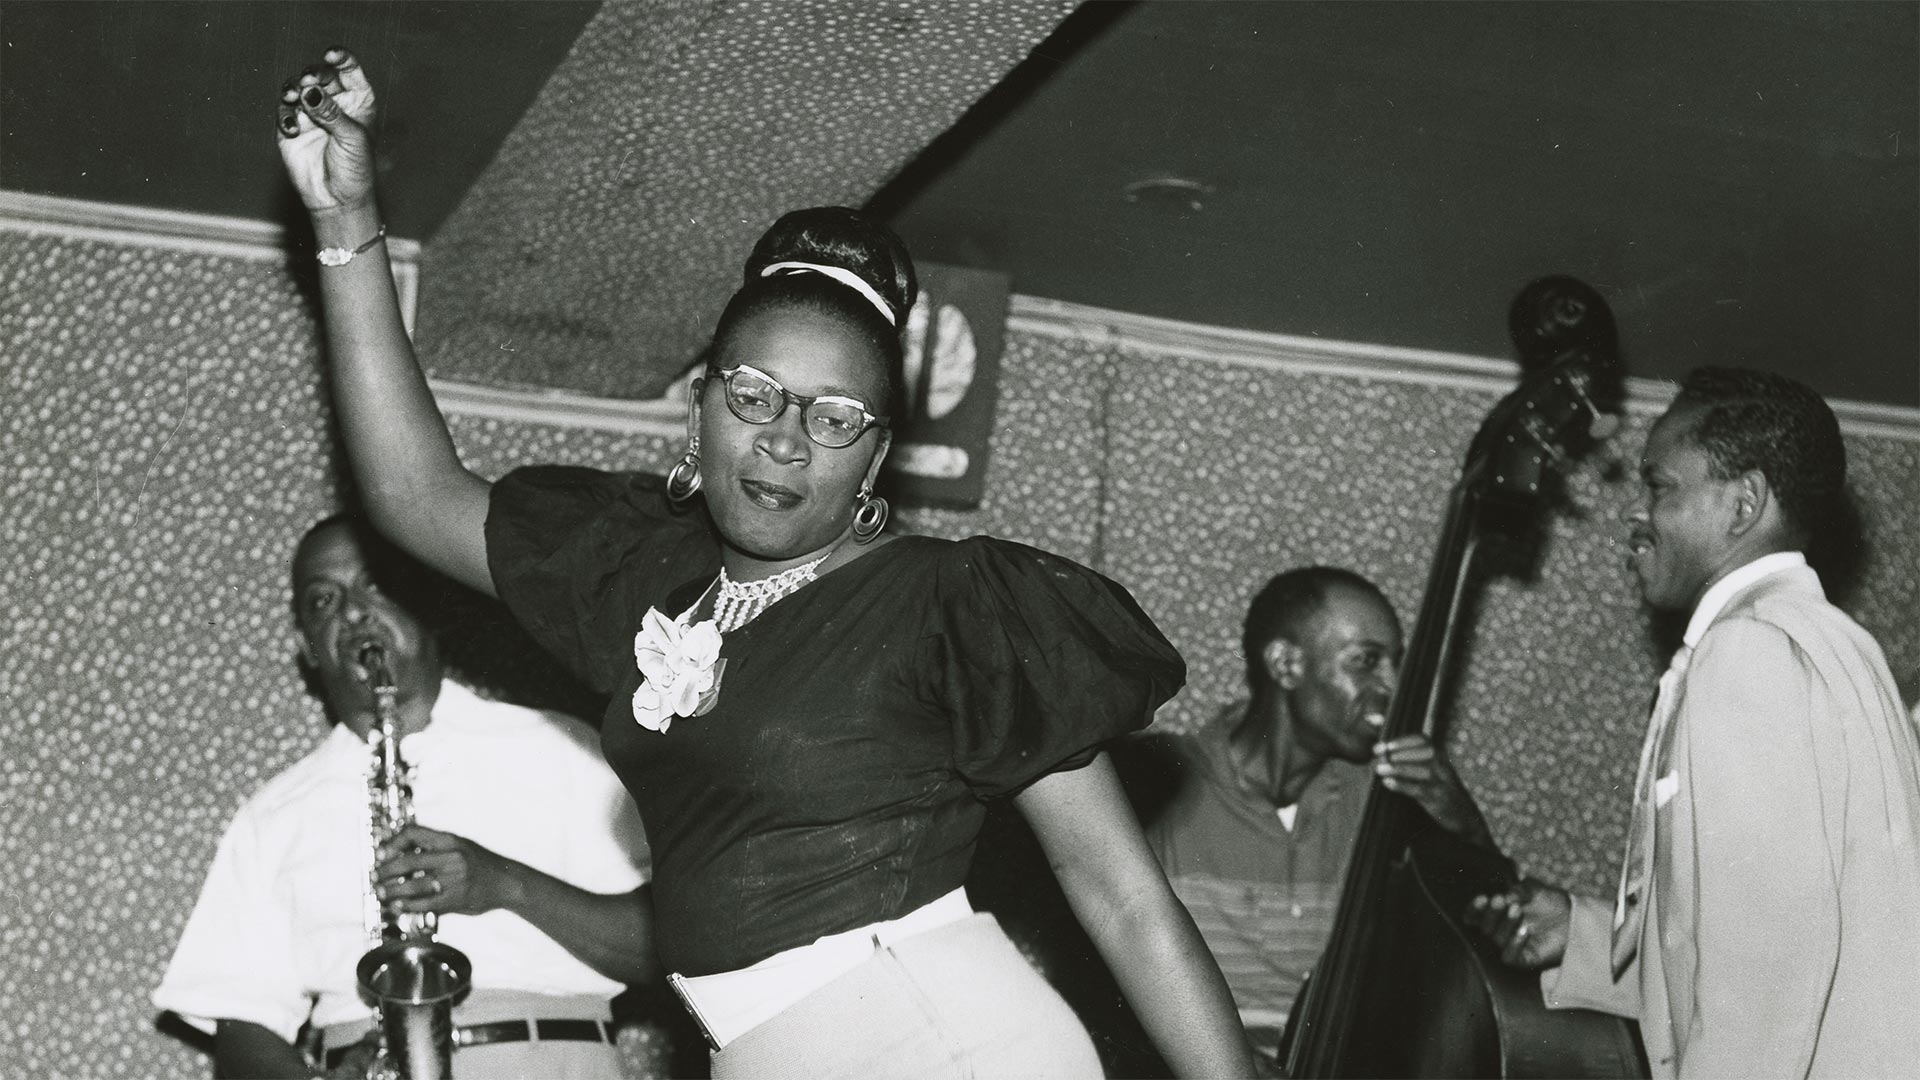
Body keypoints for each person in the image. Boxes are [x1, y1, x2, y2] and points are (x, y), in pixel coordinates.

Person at [272, 48, 1256, 1078]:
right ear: (699, 409)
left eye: (834, 417)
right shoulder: (646, 583)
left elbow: (1124, 893)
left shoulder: (955, 606)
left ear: (876, 453)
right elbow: (412, 495)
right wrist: (344, 224)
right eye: (755, 396)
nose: (787, 439)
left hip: (942, 1043)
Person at [1467, 368, 1920, 1078]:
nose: (1635, 513)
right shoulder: (1830, 645)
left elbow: (1767, 967)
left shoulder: (1750, 652)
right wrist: (1583, 936)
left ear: (1744, 504)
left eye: (1659, 486)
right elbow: (1754, 938)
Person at [152, 515, 656, 1079]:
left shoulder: (565, 748)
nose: (352, 612)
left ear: (430, 604)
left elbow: (665, 950)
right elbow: (243, 1027)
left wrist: (502, 883)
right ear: (306, 648)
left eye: (377, 583)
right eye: (323, 600)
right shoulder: (272, 814)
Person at [1126, 566, 1495, 1057]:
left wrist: (1461, 820)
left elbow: (1488, 935)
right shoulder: (1162, 782)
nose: (1395, 685)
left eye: (1396, 663)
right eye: (1366, 661)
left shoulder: (1385, 795)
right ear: (1285, 665)